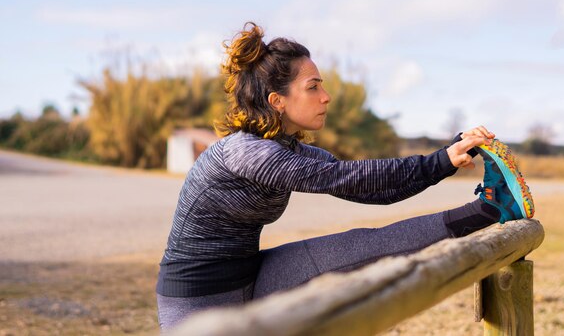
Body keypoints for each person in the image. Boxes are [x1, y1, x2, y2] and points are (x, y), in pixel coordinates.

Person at [155, 22, 534, 330]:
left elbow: (375, 191)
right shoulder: (247, 152)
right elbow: (346, 178)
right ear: (277, 101)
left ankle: (490, 209)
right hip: (197, 304)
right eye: (313, 86)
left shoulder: (290, 150)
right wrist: (439, 161)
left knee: (366, 244)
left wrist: (449, 157)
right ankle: (490, 208)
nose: (326, 96)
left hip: (252, 276)